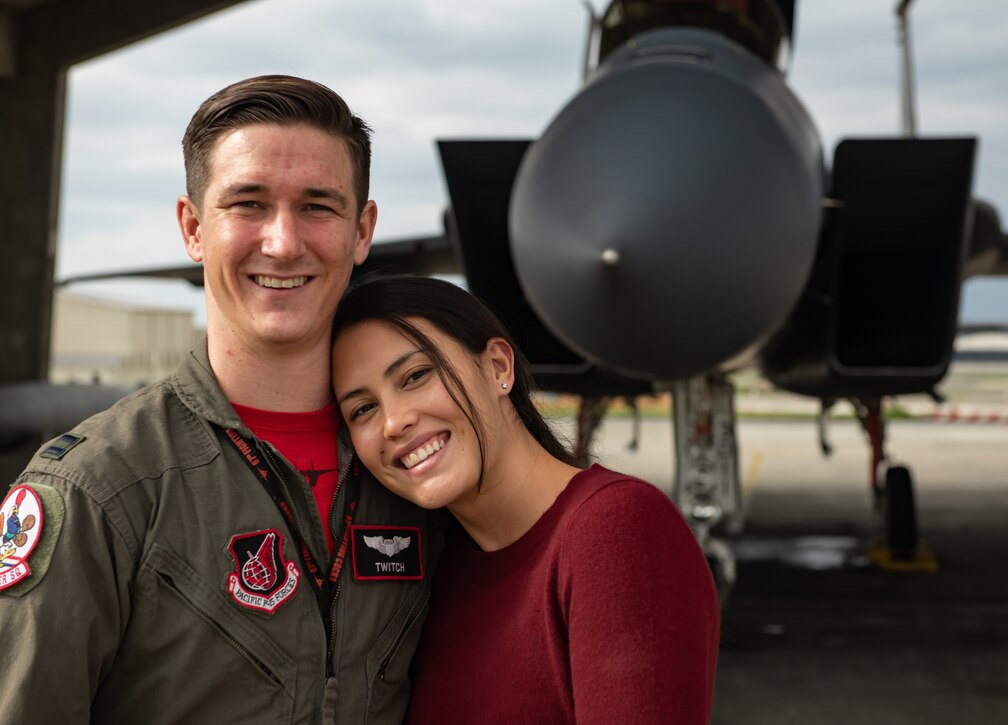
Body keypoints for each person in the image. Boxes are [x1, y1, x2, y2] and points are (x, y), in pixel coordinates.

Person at [0, 75, 445, 723]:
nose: (284, 242)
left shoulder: (421, 470)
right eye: (249, 203)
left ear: (362, 230)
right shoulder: (97, 490)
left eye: (319, 206)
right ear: (192, 226)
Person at [331, 275, 720, 723]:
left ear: (498, 366)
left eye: (416, 375)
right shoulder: (438, 571)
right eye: (362, 409)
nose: (393, 423)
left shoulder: (617, 531)